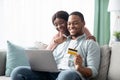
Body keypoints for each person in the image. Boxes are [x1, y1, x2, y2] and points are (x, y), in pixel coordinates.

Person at [11, 11, 100, 80]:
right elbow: (54, 55)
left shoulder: (89, 43)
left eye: (75, 23)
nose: (71, 26)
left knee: (66, 75)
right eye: (69, 24)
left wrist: (80, 68)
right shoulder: (61, 42)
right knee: (18, 71)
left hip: (70, 74)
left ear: (83, 23)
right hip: (51, 73)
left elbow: (94, 71)